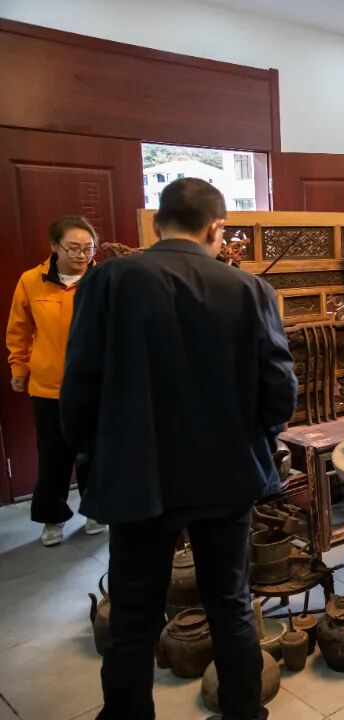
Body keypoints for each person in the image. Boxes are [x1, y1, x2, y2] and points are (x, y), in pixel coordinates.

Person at [62, 178, 297, 720]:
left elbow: (77, 389)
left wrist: (94, 458)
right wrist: (254, 440)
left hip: (137, 476)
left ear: (155, 223)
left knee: (134, 615)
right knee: (230, 605)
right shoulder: (248, 290)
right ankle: (243, 712)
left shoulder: (108, 282)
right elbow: (280, 393)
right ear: (217, 228)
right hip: (226, 475)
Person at [6, 215, 104, 546]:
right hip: (48, 387)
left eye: (88, 248)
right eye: (73, 248)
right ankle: (52, 517)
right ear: (54, 246)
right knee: (53, 456)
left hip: (94, 385)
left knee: (95, 452)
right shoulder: (31, 281)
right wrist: (18, 368)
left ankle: (96, 510)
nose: (82, 255)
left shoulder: (103, 280)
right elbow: (19, 330)